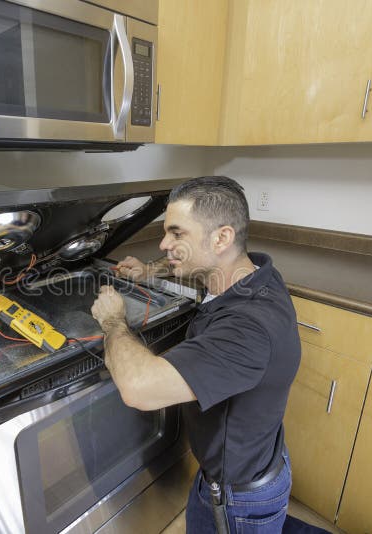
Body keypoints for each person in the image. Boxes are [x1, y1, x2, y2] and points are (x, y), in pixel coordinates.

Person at [90, 176, 301, 534]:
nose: (163, 243)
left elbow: (138, 387)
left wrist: (113, 320)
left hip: (238, 499)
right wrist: (150, 269)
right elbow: (199, 266)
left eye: (176, 233)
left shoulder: (248, 329)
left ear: (221, 238)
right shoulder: (250, 275)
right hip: (247, 464)